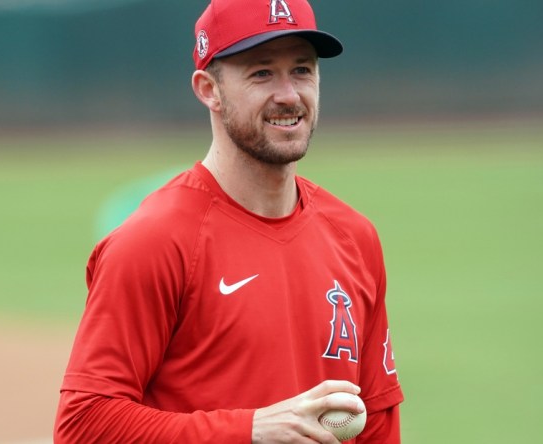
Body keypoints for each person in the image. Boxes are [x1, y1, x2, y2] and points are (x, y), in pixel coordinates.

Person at [54, 0, 403, 442]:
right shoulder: (154, 242)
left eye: (302, 70)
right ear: (208, 89)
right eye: (261, 73)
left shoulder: (354, 236)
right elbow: (83, 425)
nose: (289, 95)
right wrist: (248, 430)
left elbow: (376, 420)